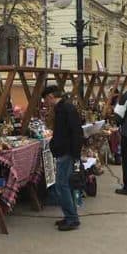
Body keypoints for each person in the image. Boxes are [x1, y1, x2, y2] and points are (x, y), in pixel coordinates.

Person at [42, 86, 83, 231]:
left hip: (66, 152)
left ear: (51, 96)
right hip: (65, 151)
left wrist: (74, 153)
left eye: (46, 99)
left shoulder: (65, 109)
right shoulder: (64, 108)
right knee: (64, 185)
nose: (45, 103)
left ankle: (72, 218)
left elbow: (74, 132)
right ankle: (69, 216)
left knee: (62, 185)